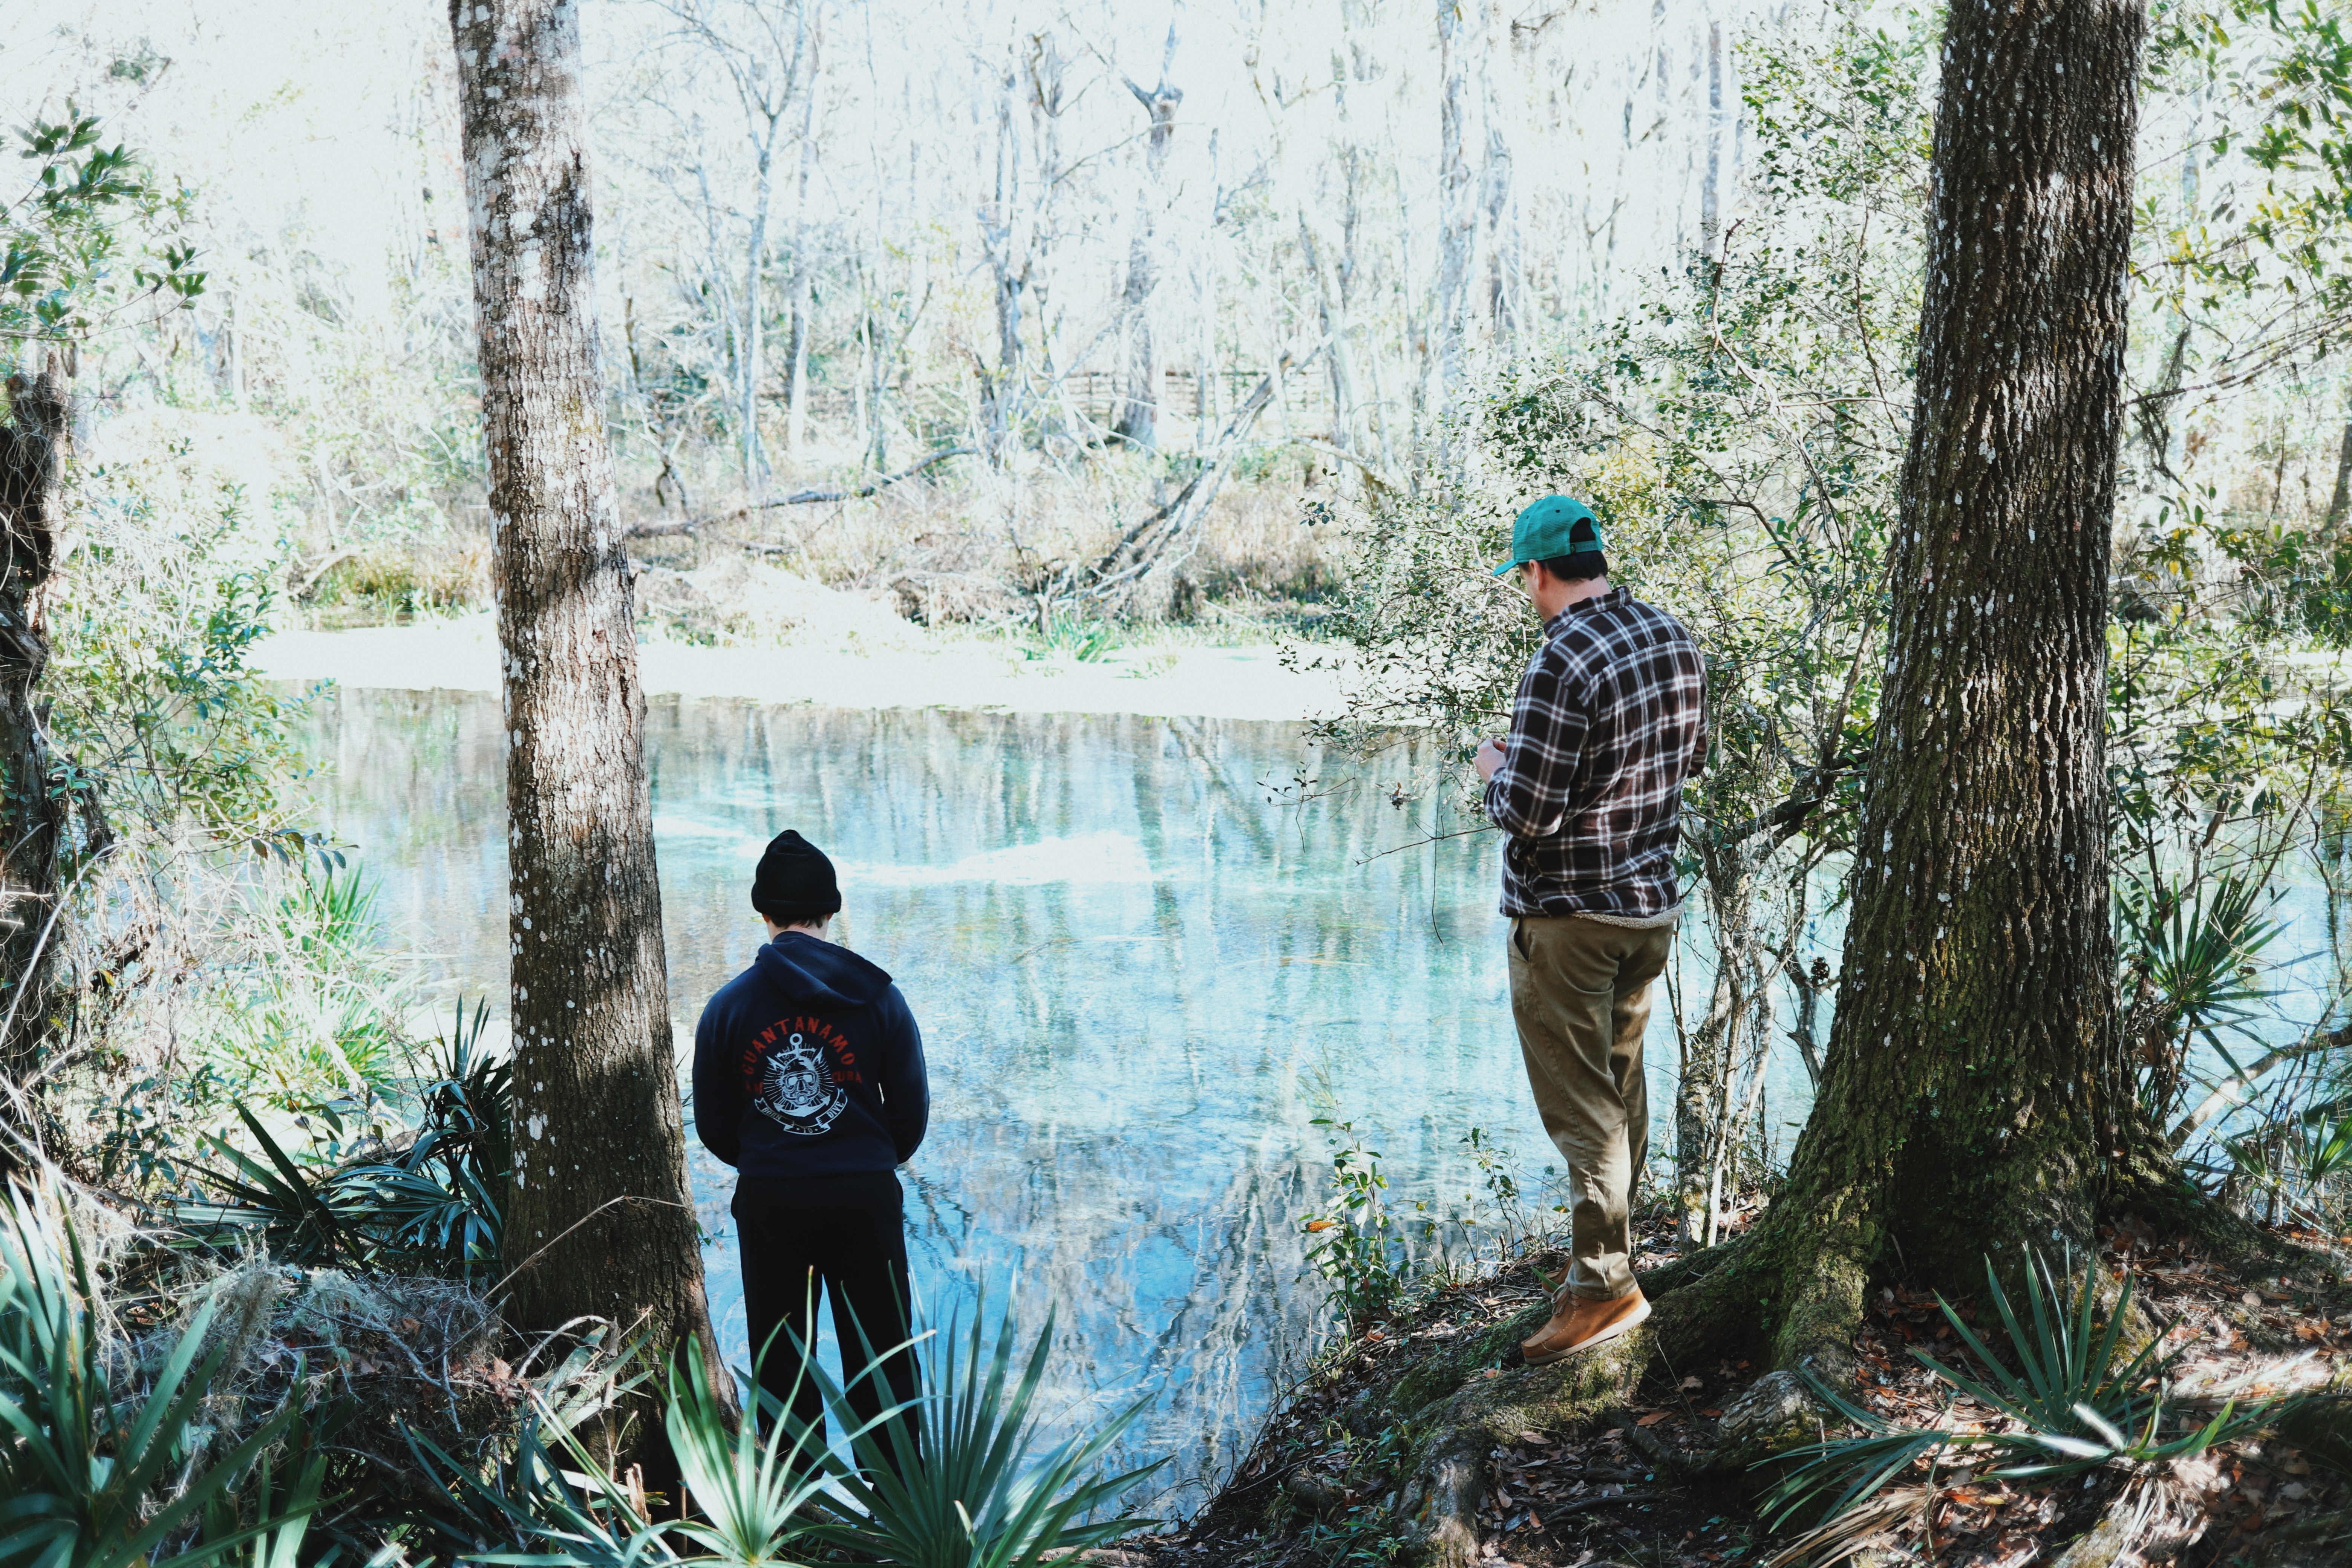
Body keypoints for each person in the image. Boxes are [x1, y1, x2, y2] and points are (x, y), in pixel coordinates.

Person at [1473, 496, 1706, 1366]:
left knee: (1584, 1113)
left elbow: (1527, 813)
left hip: (1569, 919)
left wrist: (1496, 767)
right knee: (1620, 1090)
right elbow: (1689, 758)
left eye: (1523, 579)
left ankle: (1606, 1291)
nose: (1527, 592)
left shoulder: (1560, 660)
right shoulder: (1670, 636)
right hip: (1648, 908)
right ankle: (1600, 1269)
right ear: (1596, 557)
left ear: (1535, 572)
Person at [692, 828, 929, 1458]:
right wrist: (865, 1159)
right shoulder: (881, 999)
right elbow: (910, 1114)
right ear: (831, 911)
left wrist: (777, 1157)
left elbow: (715, 1124)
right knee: (884, 1356)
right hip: (865, 1199)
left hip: (773, 1201)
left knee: (783, 1363)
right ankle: (902, 1516)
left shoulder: (727, 1007)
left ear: (763, 912)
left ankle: (797, 1519)